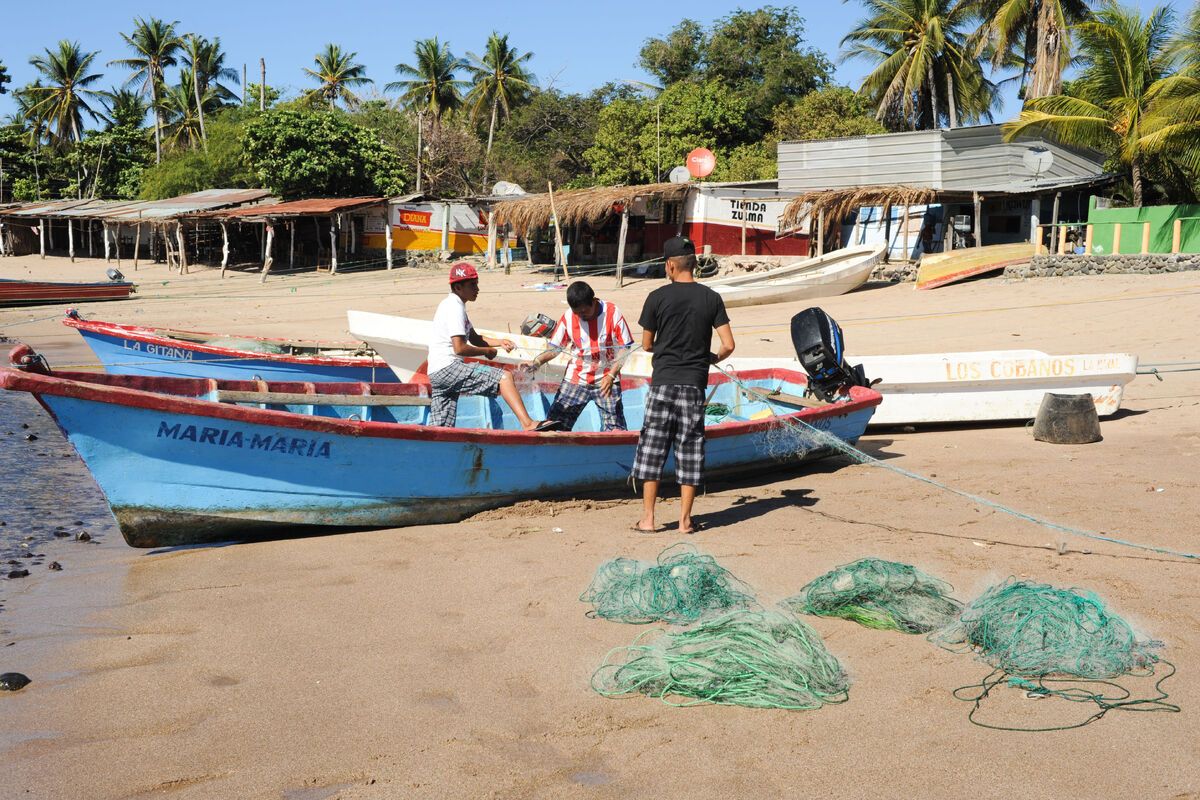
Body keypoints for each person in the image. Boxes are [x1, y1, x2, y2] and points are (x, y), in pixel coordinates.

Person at [631, 237, 735, 534]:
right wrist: (710, 357)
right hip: (693, 386)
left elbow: (646, 343)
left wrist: (665, 348)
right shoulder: (711, 298)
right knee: (690, 449)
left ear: (670, 265)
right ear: (694, 265)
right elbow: (729, 345)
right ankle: (685, 521)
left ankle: (648, 519)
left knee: (653, 448)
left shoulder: (657, 297)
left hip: (663, 382)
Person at [427, 263, 551, 431]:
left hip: (436, 372)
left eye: (477, 284)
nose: (477, 289)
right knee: (504, 377)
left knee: (441, 429)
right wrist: (487, 352)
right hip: (449, 367)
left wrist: (499, 342)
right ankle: (528, 424)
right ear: (458, 287)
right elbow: (460, 348)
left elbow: (475, 338)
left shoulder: (454, 305)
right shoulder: (454, 307)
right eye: (472, 285)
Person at [528, 281, 635, 431]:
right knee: (554, 426)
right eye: (577, 313)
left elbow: (625, 348)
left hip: (607, 379)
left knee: (615, 428)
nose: (581, 316)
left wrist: (611, 375)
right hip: (575, 378)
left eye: (584, 312)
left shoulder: (612, 312)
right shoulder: (568, 317)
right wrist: (537, 362)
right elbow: (555, 348)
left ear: (593, 301)